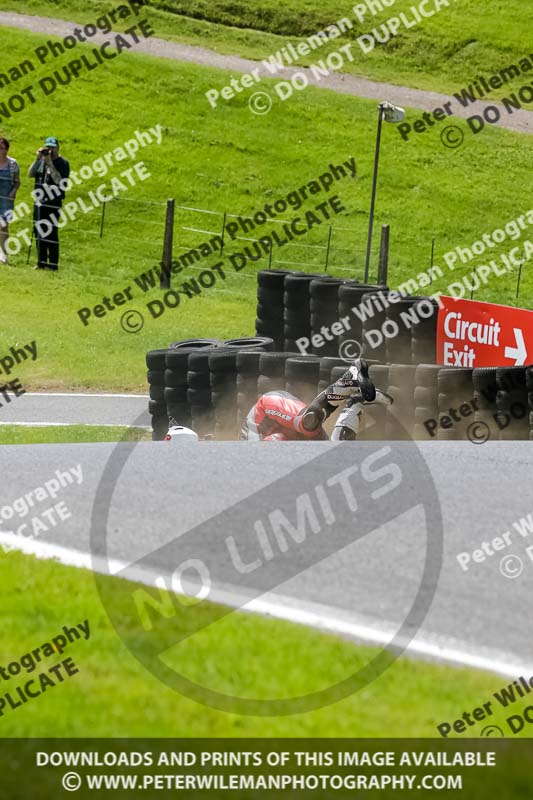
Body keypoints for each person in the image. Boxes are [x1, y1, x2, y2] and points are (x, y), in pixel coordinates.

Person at [240, 358, 381, 441]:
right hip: (293, 438)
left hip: (266, 411)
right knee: (329, 457)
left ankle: (348, 379)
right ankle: (353, 406)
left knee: (307, 422)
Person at [28, 136, 70, 271]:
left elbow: (59, 181)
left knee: (51, 233)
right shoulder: (42, 160)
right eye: (48, 147)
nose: (50, 150)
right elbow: (30, 174)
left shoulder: (63, 163)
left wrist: (50, 163)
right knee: (39, 232)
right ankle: (41, 262)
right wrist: (37, 159)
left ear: (58, 148)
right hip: (39, 201)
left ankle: (52, 264)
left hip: (53, 202)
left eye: (52, 147)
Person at [0, 137, 20, 264]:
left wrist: (13, 192)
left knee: (4, 226)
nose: (1, 150)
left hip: (6, 199)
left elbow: (17, 182)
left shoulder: (13, 164)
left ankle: (4, 254)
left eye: (2, 148)